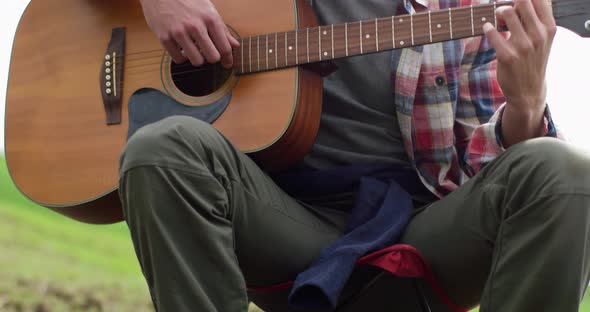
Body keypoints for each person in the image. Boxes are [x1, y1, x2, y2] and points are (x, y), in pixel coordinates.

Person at [119, 0, 590, 311]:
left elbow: (481, 180)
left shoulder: (466, 9)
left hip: (423, 231)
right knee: (161, 149)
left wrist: (526, 107)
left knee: (565, 172)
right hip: (278, 221)